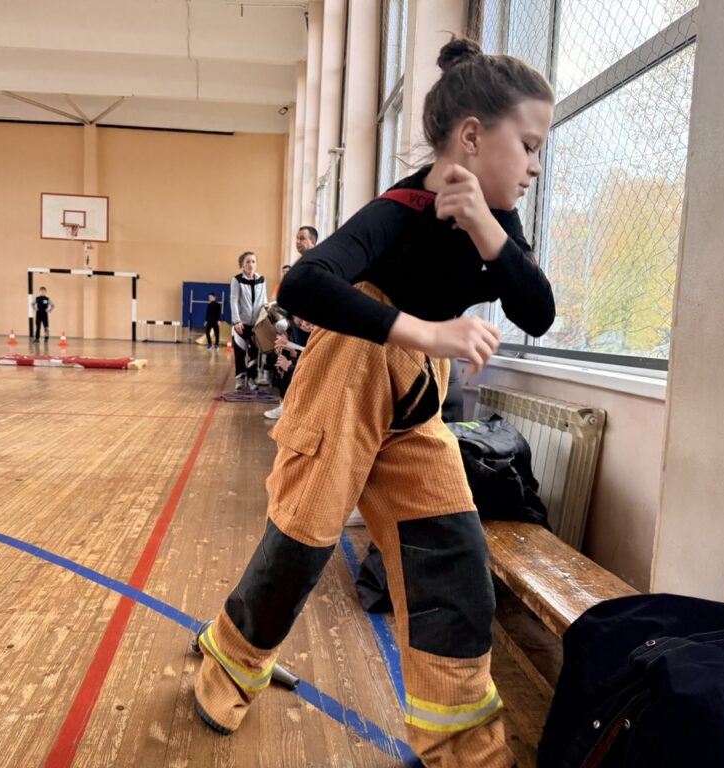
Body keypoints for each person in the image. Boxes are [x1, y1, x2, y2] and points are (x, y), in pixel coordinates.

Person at [194, 36, 556, 768]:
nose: (535, 166)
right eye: (529, 146)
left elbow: (538, 311)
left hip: (415, 401)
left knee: (453, 560)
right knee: (302, 542)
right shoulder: (399, 209)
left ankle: (466, 751)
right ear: (472, 135)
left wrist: (485, 228)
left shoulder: (497, 221)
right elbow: (304, 282)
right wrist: (427, 330)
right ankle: (228, 665)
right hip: (349, 376)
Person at [229, 251, 267, 389]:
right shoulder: (237, 280)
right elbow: (233, 301)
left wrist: (265, 318)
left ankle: (251, 379)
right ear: (242, 265)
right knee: (240, 353)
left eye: (253, 261)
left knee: (254, 354)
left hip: (256, 325)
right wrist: (236, 321)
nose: (251, 264)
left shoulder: (261, 279)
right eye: (248, 262)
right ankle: (240, 378)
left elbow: (264, 300)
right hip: (241, 324)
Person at [263, 316, 313, 420]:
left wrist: (290, 364)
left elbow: (313, 356)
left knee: (289, 367)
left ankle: (287, 406)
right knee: (282, 361)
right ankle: (285, 403)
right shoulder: (293, 325)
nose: (304, 325)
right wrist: (287, 347)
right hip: (307, 360)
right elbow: (307, 352)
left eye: (307, 323)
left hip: (313, 369)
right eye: (300, 323)